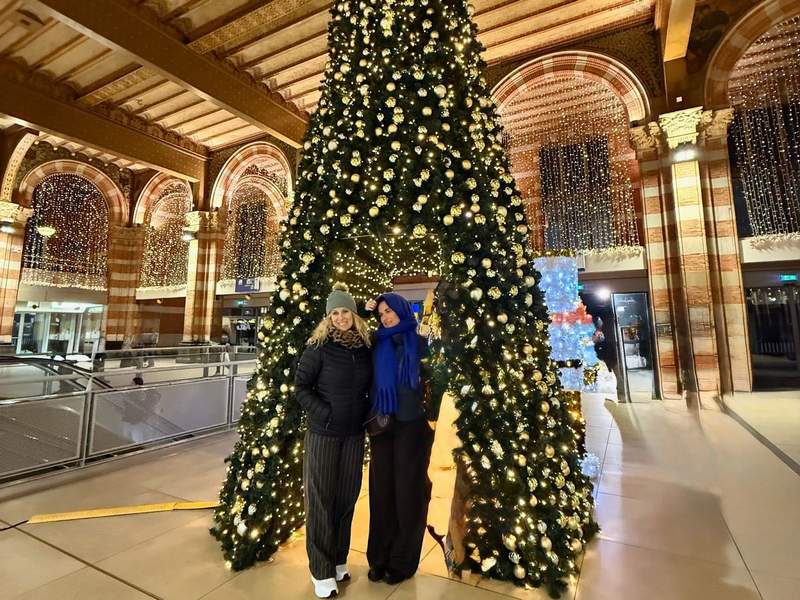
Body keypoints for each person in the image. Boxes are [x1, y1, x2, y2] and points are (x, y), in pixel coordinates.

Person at [294, 283, 373, 599]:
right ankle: (321, 570)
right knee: (321, 501)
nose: (341, 317)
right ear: (328, 317)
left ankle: (338, 559)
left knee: (346, 498)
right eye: (335, 313)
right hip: (324, 434)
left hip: (353, 434)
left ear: (354, 314)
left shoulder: (364, 347)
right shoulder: (318, 347)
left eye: (345, 311)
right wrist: (325, 413)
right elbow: (301, 388)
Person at [364, 293, 434, 585]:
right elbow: (347, 329)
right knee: (381, 494)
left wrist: (431, 415)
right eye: (381, 314)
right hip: (382, 426)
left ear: (402, 310)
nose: (385, 317)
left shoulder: (419, 342)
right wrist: (362, 311)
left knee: (408, 494)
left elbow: (436, 380)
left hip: (412, 426)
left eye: (389, 311)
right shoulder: (374, 342)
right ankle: (379, 558)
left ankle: (402, 561)